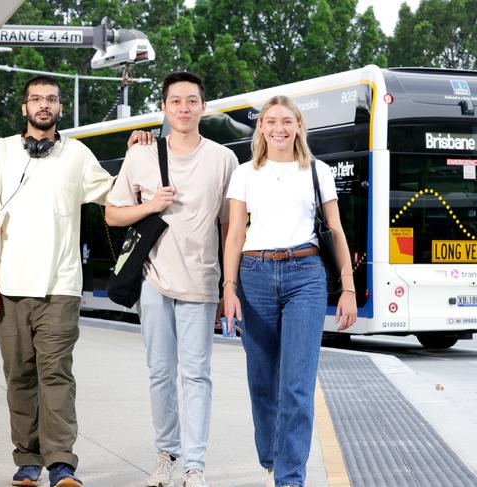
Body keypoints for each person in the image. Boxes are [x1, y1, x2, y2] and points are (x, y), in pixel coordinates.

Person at [0, 76, 114, 487]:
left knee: (56, 375)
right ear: (24, 108)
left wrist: (139, 156)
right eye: (36, 99)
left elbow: (114, 194)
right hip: (9, 286)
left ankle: (62, 463)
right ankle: (27, 459)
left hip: (60, 287)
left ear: (60, 109)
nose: (44, 105)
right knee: (19, 376)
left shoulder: (78, 155)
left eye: (51, 99)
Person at [105, 71, 238, 487]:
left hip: (200, 281)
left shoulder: (223, 160)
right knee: (160, 372)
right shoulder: (142, 154)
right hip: (153, 280)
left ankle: (194, 465)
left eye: (191, 101)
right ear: (164, 107)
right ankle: (166, 454)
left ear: (203, 107)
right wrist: (150, 206)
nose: (184, 108)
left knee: (197, 375)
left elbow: (230, 228)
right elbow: (112, 214)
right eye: (175, 101)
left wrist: (227, 287)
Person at [222, 95, 357, 487]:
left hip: (306, 275)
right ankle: (272, 459)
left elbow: (335, 230)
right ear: (260, 128)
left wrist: (347, 287)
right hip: (255, 274)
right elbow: (233, 235)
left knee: (297, 384)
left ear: (299, 126)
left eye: (287, 121)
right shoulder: (245, 173)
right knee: (262, 380)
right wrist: (229, 287)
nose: (279, 128)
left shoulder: (318, 171)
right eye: (271, 121)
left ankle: (290, 478)